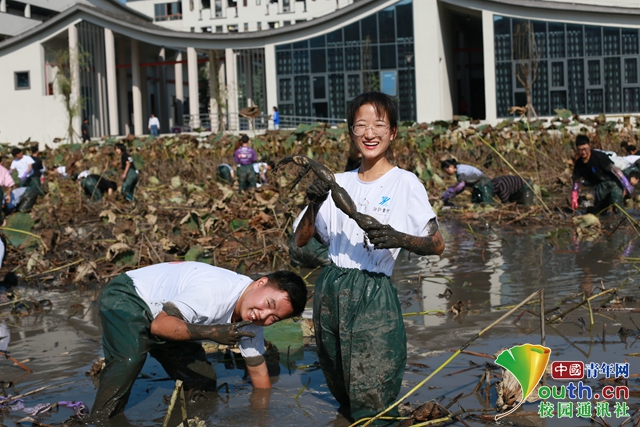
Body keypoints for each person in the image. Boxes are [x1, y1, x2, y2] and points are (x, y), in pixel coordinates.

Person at [294, 92, 445, 422]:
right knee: (341, 385)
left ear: (392, 133)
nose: (369, 133)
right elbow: (302, 240)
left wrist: (397, 238)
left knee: (371, 390)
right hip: (331, 287)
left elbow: (436, 244)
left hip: (374, 292)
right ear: (351, 132)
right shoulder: (337, 183)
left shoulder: (406, 183)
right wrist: (316, 202)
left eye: (379, 125)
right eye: (360, 125)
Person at [90, 262, 307, 420]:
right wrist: (213, 332)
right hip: (130, 297)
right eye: (268, 303)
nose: (263, 315)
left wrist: (262, 415)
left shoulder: (252, 320)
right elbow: (159, 326)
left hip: (170, 319)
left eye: (274, 318)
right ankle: (97, 420)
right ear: (260, 283)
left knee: (203, 383)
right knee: (129, 360)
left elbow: (259, 374)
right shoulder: (214, 293)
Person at [571, 134, 634, 214]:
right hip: (600, 186)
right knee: (599, 211)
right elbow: (576, 181)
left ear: (589, 146)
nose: (583, 152)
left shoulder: (599, 157)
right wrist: (574, 195)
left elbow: (615, 170)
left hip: (613, 182)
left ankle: (624, 221)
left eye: (585, 149)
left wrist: (626, 184)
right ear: (577, 149)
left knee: (616, 205)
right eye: (580, 150)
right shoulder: (579, 164)